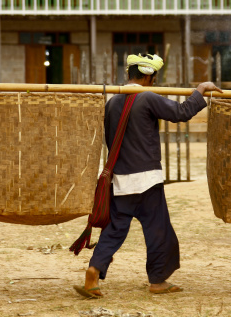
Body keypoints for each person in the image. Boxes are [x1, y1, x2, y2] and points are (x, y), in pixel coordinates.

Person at [73, 53, 222, 298]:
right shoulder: (147, 98)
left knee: (114, 230)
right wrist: (201, 89)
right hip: (147, 181)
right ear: (146, 76)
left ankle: (93, 271)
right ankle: (158, 281)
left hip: (120, 182)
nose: (154, 82)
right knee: (158, 231)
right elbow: (182, 112)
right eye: (153, 78)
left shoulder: (112, 102)